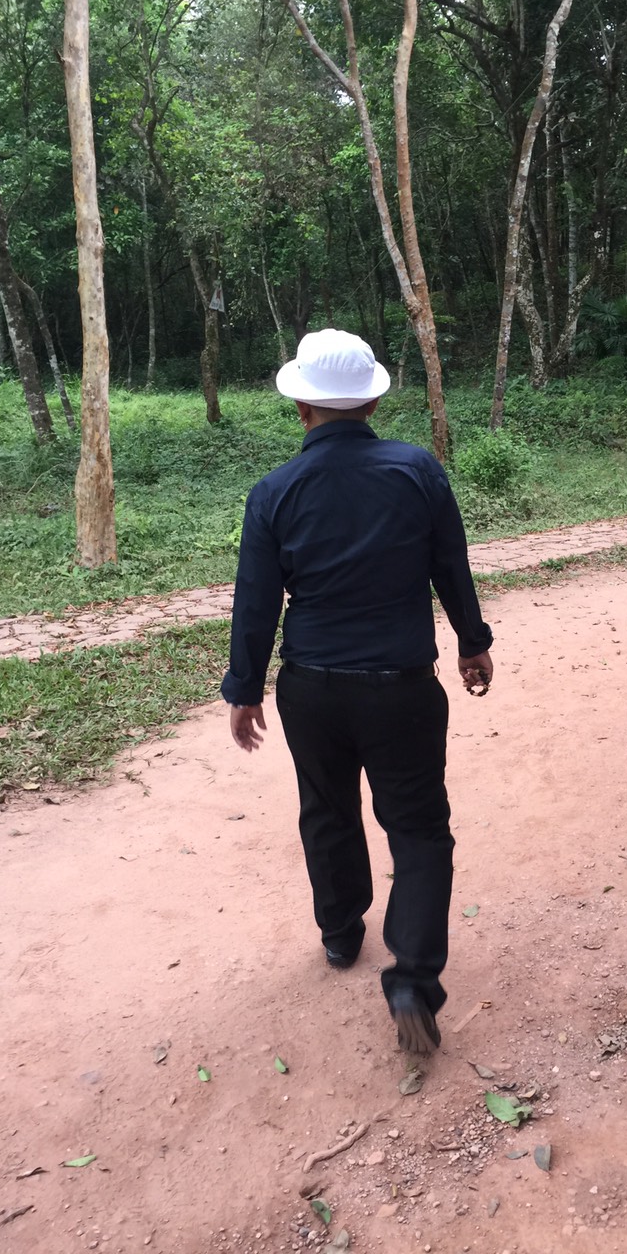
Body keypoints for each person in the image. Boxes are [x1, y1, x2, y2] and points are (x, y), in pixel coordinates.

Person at [221, 329, 494, 1056]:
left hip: (311, 690)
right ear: (372, 402)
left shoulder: (274, 491)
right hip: (401, 688)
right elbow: (451, 565)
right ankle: (412, 982)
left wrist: (244, 689)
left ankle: (341, 934)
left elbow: (256, 602)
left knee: (327, 809)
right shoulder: (417, 471)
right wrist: (472, 641)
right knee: (419, 828)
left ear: (301, 407)